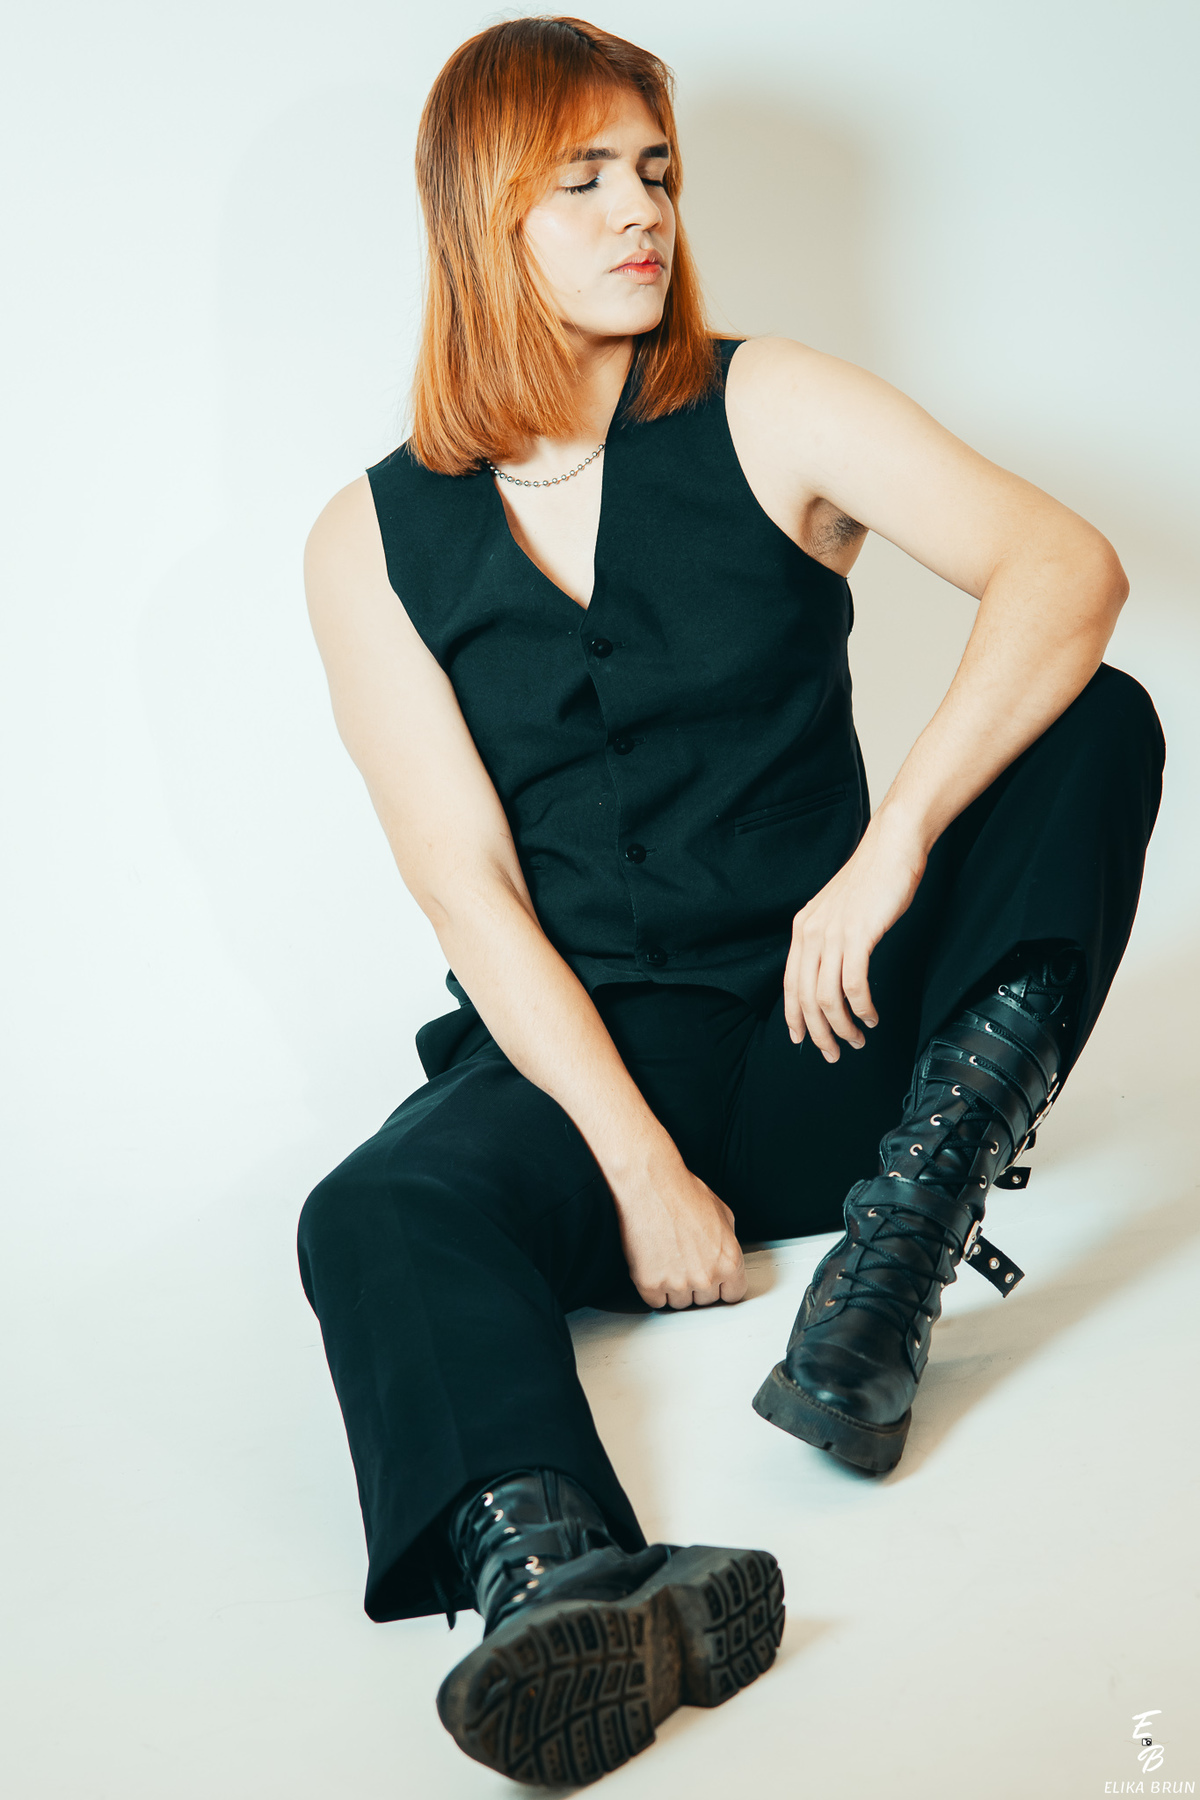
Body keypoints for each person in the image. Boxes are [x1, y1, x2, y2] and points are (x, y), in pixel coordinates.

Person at [297, 14, 1164, 1788]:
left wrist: (893, 844)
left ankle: (896, 1263)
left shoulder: (770, 402)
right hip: (590, 1077)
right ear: (481, 212)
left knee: (1099, 719)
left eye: (658, 172)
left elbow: (1063, 567)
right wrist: (635, 1167)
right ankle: (565, 1583)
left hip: (842, 1040)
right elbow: (465, 889)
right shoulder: (368, 538)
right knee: (372, 1209)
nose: (643, 211)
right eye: (585, 178)